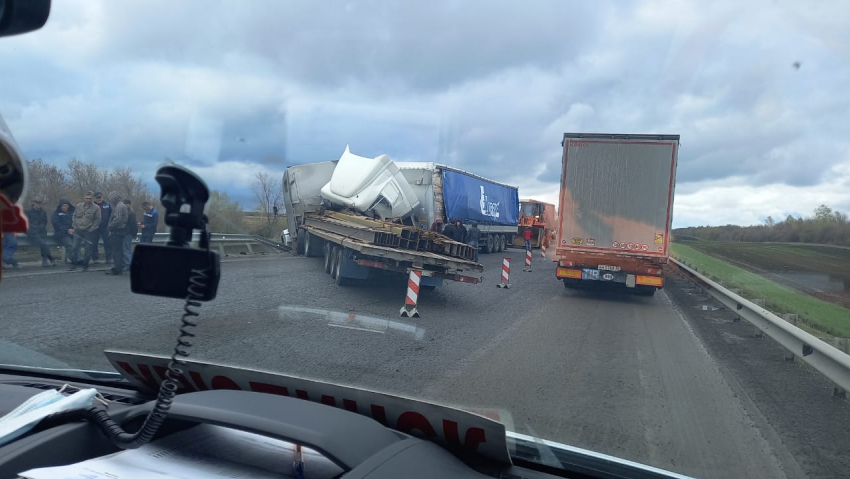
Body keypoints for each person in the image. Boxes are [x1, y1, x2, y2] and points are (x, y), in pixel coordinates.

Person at [68, 191, 101, 272]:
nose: (88, 200)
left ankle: (85, 265)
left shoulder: (96, 208)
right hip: (78, 230)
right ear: (84, 198)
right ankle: (73, 264)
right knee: (74, 247)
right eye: (87, 198)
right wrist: (74, 226)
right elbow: (74, 216)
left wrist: (92, 229)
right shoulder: (79, 206)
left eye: (90, 198)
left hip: (89, 231)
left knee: (88, 249)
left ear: (92, 198)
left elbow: (98, 220)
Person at [25, 196, 55, 267]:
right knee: (43, 244)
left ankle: (45, 260)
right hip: (33, 232)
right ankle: (51, 258)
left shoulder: (43, 212)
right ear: (34, 203)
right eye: (36, 203)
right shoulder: (28, 212)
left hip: (42, 231)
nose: (38, 204)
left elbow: (45, 221)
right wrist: (33, 228)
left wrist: (41, 226)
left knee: (43, 244)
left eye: (39, 203)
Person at [105, 192, 128, 275]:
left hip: (117, 231)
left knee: (116, 251)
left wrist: (110, 226)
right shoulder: (122, 205)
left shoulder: (118, 206)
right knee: (119, 250)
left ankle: (117, 269)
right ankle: (119, 267)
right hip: (121, 231)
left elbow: (118, 219)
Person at [91, 192, 111, 263]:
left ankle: (109, 258)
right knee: (94, 243)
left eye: (100, 197)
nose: (99, 199)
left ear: (102, 197)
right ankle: (95, 259)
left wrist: (109, 225)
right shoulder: (91, 205)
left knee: (107, 243)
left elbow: (111, 215)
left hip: (105, 227)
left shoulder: (107, 205)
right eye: (97, 198)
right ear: (95, 198)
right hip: (95, 227)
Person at [122, 198, 137, 269]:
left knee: (126, 249)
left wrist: (134, 234)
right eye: (123, 204)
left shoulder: (131, 213)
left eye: (126, 204)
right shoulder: (125, 212)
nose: (124, 205)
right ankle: (126, 263)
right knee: (125, 249)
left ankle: (129, 264)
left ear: (129, 204)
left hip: (128, 233)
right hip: (124, 233)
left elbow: (133, 224)